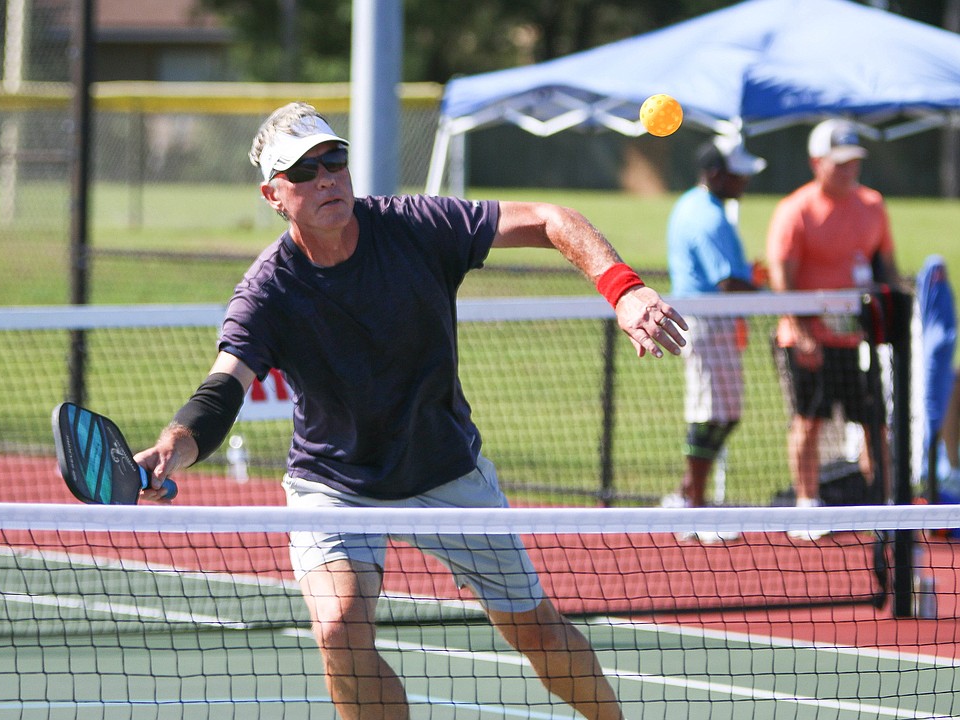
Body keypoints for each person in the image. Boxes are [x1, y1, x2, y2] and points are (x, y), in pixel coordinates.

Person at [133, 102, 687, 720]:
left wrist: (624, 288)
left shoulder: (415, 226)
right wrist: (175, 445)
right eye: (304, 171)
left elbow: (551, 219)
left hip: (446, 470)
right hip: (335, 485)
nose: (326, 179)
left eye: (334, 160)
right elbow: (223, 388)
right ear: (274, 195)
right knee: (339, 629)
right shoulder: (269, 290)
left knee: (538, 633)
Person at [766, 119, 903, 538]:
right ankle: (807, 507)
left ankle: (881, 504)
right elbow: (781, 275)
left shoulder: (873, 205)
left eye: (853, 162)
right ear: (817, 163)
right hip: (809, 341)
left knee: (875, 422)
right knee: (809, 421)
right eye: (839, 163)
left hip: (857, 340)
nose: (849, 170)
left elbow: (887, 268)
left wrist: (894, 315)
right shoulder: (796, 210)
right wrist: (802, 332)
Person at [664, 135, 766, 543]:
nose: (744, 181)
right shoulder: (708, 216)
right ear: (714, 174)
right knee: (709, 415)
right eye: (736, 174)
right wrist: (772, 294)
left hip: (712, 322)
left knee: (724, 414)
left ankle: (687, 495)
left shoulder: (698, 206)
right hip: (707, 322)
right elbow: (727, 281)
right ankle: (694, 508)